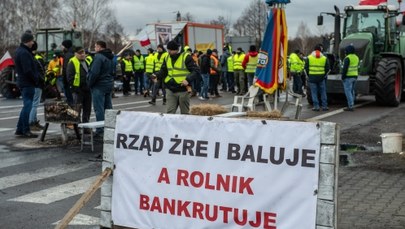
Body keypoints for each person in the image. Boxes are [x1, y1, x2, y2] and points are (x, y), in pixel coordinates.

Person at [154, 40, 200, 114]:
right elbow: (164, 70)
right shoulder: (167, 57)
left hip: (183, 89)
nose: (169, 52)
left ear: (176, 49)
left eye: (171, 50)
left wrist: (188, 80)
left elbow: (196, 71)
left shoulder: (186, 57)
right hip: (170, 89)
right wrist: (157, 75)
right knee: (169, 113)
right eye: (168, 50)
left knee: (185, 113)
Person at [14, 32, 39, 138]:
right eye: (32, 40)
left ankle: (19, 129)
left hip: (23, 82)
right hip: (27, 83)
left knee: (26, 106)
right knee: (27, 106)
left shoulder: (20, 51)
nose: (33, 42)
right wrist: (36, 79)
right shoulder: (24, 53)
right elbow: (27, 70)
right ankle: (25, 130)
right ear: (28, 41)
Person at [87, 40, 114, 136]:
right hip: (108, 84)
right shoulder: (110, 57)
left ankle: (100, 130)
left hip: (99, 85)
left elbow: (94, 73)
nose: (95, 49)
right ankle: (111, 127)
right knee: (108, 108)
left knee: (99, 109)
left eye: (95, 47)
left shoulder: (98, 57)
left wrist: (89, 83)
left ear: (99, 47)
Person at [67, 47, 92, 124]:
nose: (82, 55)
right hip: (78, 90)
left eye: (83, 53)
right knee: (76, 109)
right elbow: (70, 77)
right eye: (80, 53)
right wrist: (75, 89)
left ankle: (85, 126)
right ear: (75, 54)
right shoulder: (72, 62)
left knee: (87, 109)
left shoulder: (87, 61)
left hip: (87, 89)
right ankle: (76, 127)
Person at [305, 44, 330, 111]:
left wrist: (308, 75)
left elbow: (306, 68)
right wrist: (324, 75)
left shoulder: (309, 57)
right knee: (323, 92)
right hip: (321, 78)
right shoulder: (324, 58)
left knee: (314, 93)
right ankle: (324, 106)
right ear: (320, 50)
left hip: (312, 78)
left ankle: (316, 106)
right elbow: (328, 68)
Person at [29, 41, 46, 131]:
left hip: (34, 84)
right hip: (37, 84)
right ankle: (32, 122)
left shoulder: (32, 58)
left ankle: (34, 121)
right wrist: (41, 81)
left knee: (33, 103)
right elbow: (39, 72)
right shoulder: (35, 59)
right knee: (34, 104)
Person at [341, 44, 359, 111]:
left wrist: (343, 76)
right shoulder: (356, 57)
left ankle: (350, 106)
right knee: (352, 91)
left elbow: (345, 69)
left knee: (348, 91)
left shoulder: (347, 58)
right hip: (355, 76)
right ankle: (352, 103)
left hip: (348, 77)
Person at [61, 40, 75, 106]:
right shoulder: (71, 53)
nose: (61, 47)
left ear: (66, 46)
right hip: (70, 79)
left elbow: (66, 69)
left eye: (62, 46)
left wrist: (66, 80)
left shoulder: (68, 55)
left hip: (68, 80)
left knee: (70, 100)